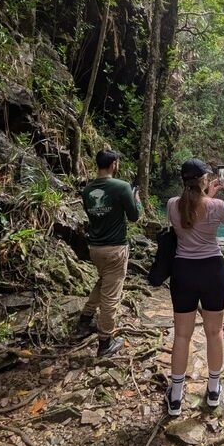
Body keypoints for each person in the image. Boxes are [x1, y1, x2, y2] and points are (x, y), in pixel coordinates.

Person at [164, 157, 224, 416]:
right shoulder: (217, 206)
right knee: (214, 332)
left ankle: (175, 397)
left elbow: (190, 210)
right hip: (213, 273)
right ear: (205, 180)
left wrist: (206, 193)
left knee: (182, 335)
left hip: (183, 273)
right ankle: (214, 389)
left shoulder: (172, 205)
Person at [77, 149, 140, 357]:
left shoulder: (87, 191)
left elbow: (93, 217)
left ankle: (84, 320)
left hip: (95, 249)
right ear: (113, 164)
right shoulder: (121, 187)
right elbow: (134, 217)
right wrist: (135, 198)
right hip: (115, 249)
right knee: (111, 297)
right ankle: (105, 343)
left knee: (104, 282)